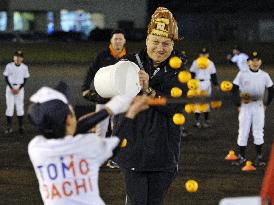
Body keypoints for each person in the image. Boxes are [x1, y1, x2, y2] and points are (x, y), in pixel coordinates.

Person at [28, 81, 149, 205]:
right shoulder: (88, 144)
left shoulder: (35, 148)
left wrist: (109, 110)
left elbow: (69, 131)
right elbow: (116, 144)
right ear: (69, 119)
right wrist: (130, 113)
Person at [113, 7, 187, 205]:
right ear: (146, 41)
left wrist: (149, 91)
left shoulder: (180, 71)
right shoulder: (128, 64)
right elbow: (107, 92)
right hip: (132, 152)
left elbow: (175, 107)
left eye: (166, 43)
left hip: (164, 154)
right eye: (155, 42)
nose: (160, 48)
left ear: (173, 44)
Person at [81, 29, 127, 138]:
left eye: (120, 39)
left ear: (124, 41)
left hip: (119, 98)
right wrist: (85, 87)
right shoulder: (102, 56)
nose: (118, 41)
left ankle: (115, 153)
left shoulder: (129, 58)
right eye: (115, 39)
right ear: (111, 40)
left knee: (117, 128)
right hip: (103, 95)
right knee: (100, 128)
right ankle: (98, 152)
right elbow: (91, 71)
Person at [232, 51, 274, 167]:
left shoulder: (264, 75)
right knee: (243, 131)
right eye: (253, 60)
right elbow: (234, 88)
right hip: (245, 106)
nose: (255, 63)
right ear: (248, 62)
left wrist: (266, 104)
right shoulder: (242, 74)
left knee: (258, 131)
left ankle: (259, 157)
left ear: (260, 62)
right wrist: (237, 104)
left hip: (259, 106)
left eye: (257, 60)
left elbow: (271, 90)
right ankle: (241, 157)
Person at [189, 48, 218, 128]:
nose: (204, 55)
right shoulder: (195, 62)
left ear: (208, 55)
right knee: (197, 102)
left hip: (207, 83)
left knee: (206, 102)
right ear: (199, 54)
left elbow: (213, 75)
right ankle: (197, 122)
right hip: (197, 83)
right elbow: (191, 74)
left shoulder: (211, 63)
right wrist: (191, 84)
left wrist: (215, 84)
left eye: (205, 54)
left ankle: (206, 121)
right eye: (202, 53)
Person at [3, 50, 30, 134]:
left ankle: (21, 127)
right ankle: (9, 127)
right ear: (13, 57)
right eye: (16, 56)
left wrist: (19, 88)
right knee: (10, 107)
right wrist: (11, 88)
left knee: (19, 107)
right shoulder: (9, 66)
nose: (17, 58)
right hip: (10, 88)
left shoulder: (25, 67)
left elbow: (25, 79)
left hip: (19, 88)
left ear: (22, 58)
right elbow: (6, 77)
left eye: (19, 56)